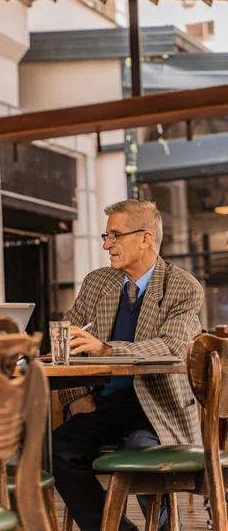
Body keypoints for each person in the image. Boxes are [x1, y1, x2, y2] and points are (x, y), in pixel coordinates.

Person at [52, 199, 203, 531]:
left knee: (144, 457)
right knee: (54, 451)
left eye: (115, 235)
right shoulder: (97, 283)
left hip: (158, 408)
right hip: (104, 406)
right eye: (106, 236)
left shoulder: (182, 287)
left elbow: (171, 347)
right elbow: (66, 339)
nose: (107, 244)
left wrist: (106, 350)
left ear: (146, 238)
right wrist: (77, 396)